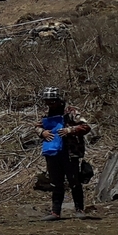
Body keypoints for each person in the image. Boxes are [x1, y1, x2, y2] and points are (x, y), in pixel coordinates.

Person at [35, 87, 91, 221]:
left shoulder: (72, 111)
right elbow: (37, 126)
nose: (50, 104)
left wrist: (69, 130)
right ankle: (55, 212)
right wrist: (42, 133)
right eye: (47, 102)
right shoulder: (46, 112)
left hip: (70, 151)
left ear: (59, 99)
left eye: (52, 101)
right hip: (52, 152)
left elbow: (86, 126)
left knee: (74, 181)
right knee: (56, 182)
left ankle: (79, 209)